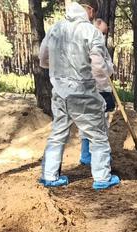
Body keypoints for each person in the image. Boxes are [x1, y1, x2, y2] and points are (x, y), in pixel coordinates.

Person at [38, 0, 119, 190]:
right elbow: (99, 67)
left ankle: (49, 176)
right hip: (83, 93)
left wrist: (60, 71)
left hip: (59, 92)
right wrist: (106, 77)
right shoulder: (90, 32)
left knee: (57, 133)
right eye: (93, 12)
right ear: (89, 9)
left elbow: (43, 59)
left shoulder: (55, 28)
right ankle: (102, 178)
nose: (93, 16)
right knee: (98, 136)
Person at [80, 17, 117, 166]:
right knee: (99, 124)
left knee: (89, 122)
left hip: (91, 87)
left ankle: (87, 155)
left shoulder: (87, 40)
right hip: (98, 88)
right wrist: (109, 68)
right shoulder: (94, 41)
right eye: (103, 30)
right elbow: (99, 66)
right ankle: (96, 157)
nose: (104, 34)